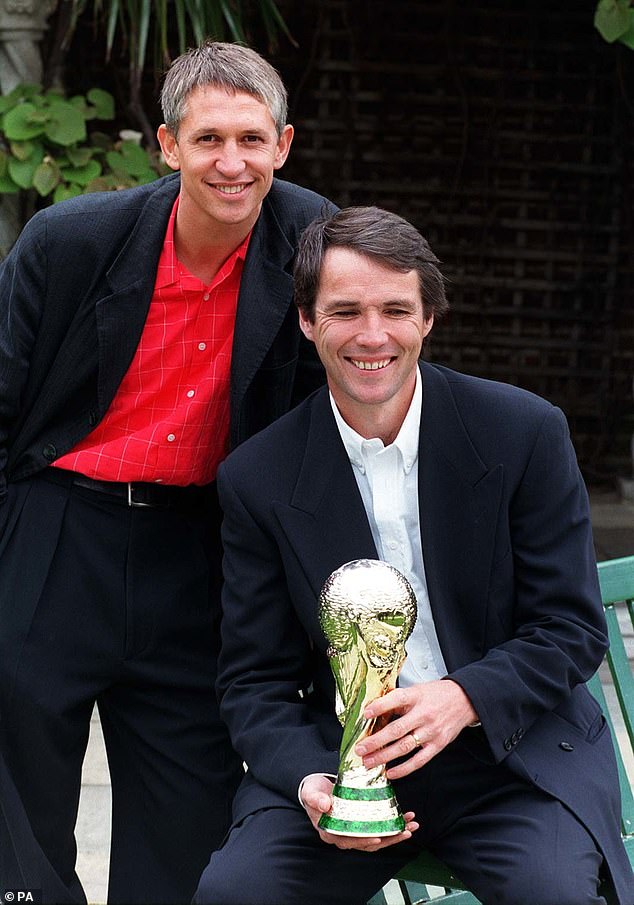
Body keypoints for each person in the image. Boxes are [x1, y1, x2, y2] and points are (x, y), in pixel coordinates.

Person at [194, 206, 634, 905]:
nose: (373, 335)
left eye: (396, 309)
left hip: (511, 753)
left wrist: (462, 697)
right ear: (307, 321)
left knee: (553, 894)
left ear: (429, 316)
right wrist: (314, 778)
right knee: (234, 892)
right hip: (351, 756)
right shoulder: (258, 476)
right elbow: (254, 679)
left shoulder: (524, 433)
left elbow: (570, 629)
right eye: (345, 311)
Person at [0, 40, 336, 905]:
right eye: (209, 138)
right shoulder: (71, 241)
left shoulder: (311, 244)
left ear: (284, 145)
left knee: (188, 818)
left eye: (253, 140)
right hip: (57, 530)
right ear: (167, 144)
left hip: (198, 549)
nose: (232, 163)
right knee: (17, 806)